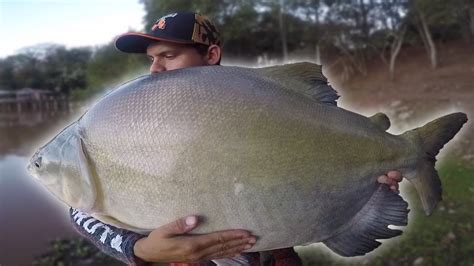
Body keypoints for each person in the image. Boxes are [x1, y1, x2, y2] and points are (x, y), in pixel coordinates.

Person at [70, 11, 404, 266]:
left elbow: (315, 179)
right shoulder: (137, 126)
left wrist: (369, 182)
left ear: (211, 55)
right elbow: (80, 204)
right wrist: (138, 248)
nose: (155, 69)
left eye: (169, 56)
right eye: (152, 58)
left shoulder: (272, 111)